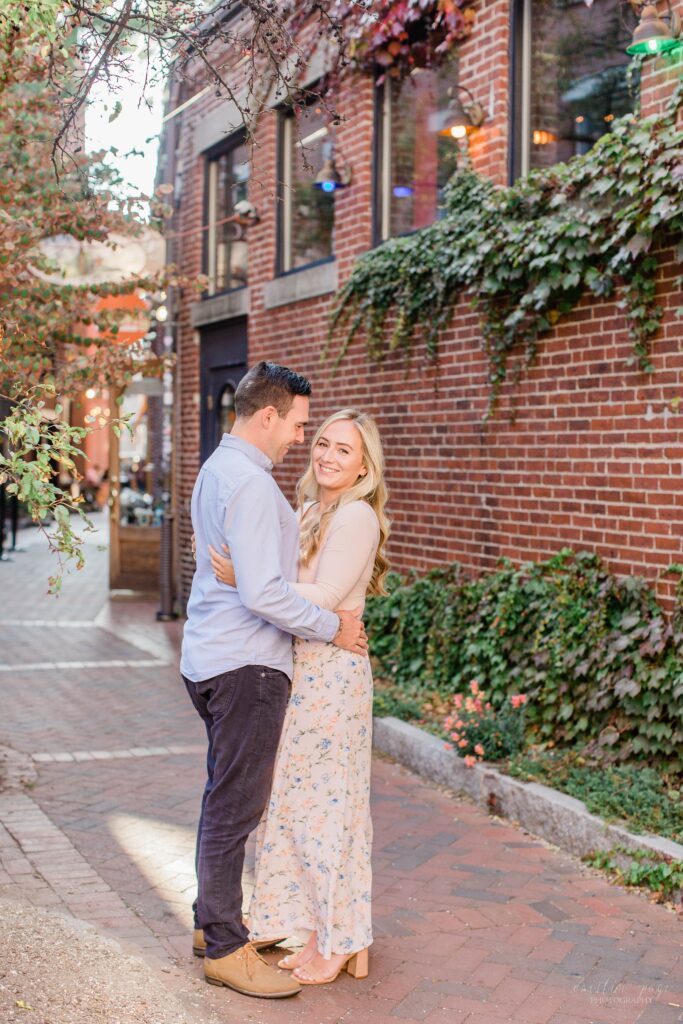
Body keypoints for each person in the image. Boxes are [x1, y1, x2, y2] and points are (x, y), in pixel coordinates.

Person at [180, 363, 368, 1000]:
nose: (300, 437)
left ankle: (214, 921)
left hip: (208, 657)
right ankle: (228, 947)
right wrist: (330, 627)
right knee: (237, 805)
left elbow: (239, 573)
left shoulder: (214, 470)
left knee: (222, 796)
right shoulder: (255, 486)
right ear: (269, 416)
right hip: (247, 666)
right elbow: (263, 592)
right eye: (298, 424)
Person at [210, 408, 389, 986]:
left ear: (364, 466)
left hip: (333, 674)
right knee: (292, 802)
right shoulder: (311, 509)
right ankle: (296, 919)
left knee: (328, 809)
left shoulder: (357, 515)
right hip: (298, 667)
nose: (328, 456)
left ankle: (336, 939)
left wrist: (249, 581)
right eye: (322, 443)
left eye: (344, 449)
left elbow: (327, 593)